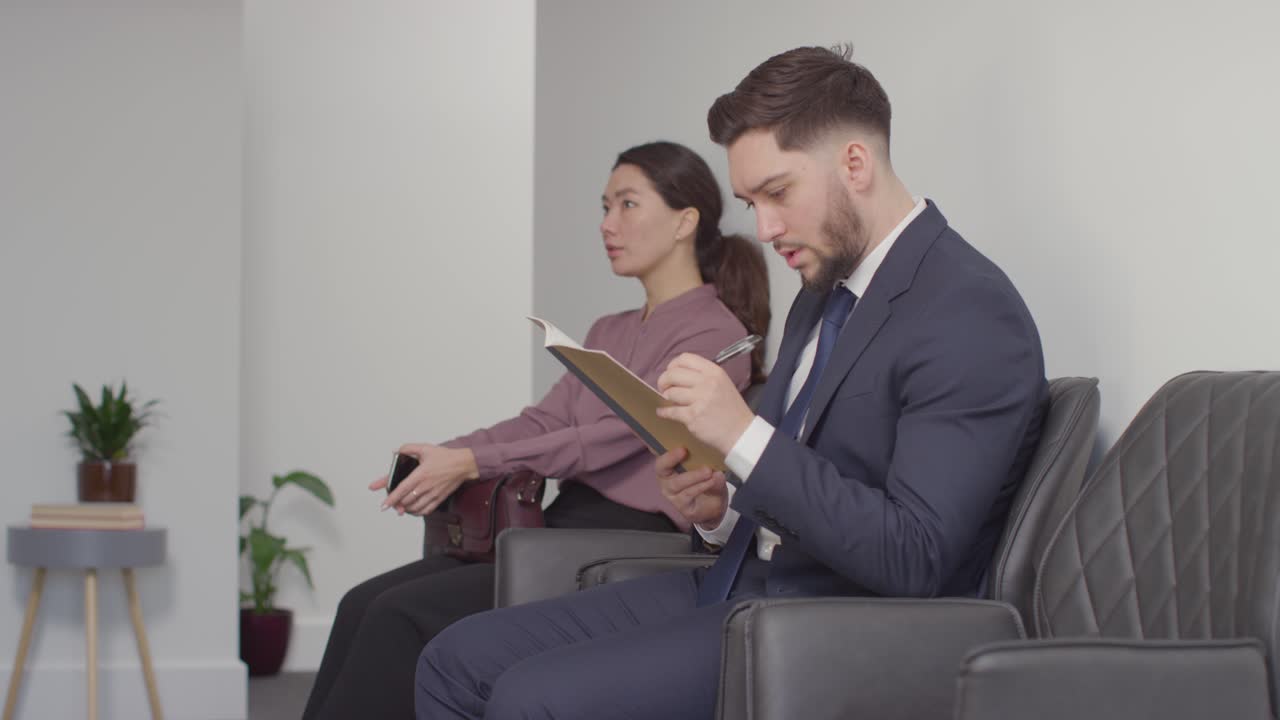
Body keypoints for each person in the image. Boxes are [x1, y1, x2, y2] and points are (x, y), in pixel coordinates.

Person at [413, 45, 1049, 720]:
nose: (765, 228)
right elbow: (792, 481)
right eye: (751, 201)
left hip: (825, 624)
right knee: (454, 662)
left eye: (777, 193)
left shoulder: (967, 310)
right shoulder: (825, 289)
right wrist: (717, 510)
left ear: (854, 164)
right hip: (741, 580)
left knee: (527, 698)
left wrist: (742, 436)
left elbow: (914, 557)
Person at [302, 141, 771, 720]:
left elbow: (607, 437)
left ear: (685, 220)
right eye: (604, 207)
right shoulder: (609, 327)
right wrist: (448, 453)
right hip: (554, 528)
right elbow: (545, 423)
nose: (607, 225)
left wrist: (475, 464)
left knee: (399, 617)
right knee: (361, 603)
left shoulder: (713, 333)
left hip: (633, 541)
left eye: (626, 205)